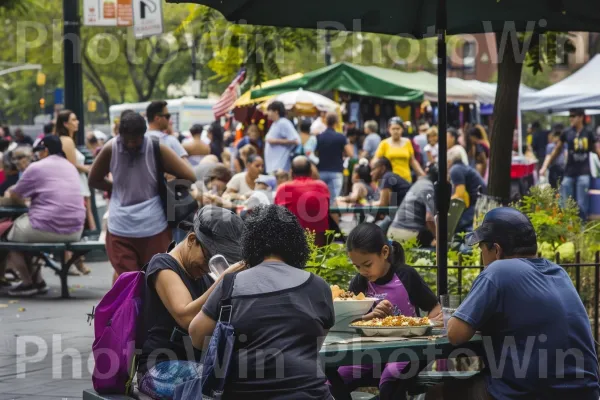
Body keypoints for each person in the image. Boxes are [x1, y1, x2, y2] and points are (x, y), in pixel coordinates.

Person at [439, 208, 600, 400]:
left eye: (481, 248)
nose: (481, 257)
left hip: (530, 394)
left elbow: (455, 334)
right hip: (585, 392)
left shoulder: (498, 270)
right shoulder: (558, 272)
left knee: (436, 393)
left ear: (496, 250)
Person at [188, 204, 335, 400]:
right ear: (298, 244)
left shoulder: (230, 285)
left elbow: (197, 336)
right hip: (308, 393)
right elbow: (314, 345)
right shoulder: (318, 286)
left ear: (248, 243)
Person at [137, 206, 244, 400]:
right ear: (192, 240)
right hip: (159, 367)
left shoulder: (204, 277)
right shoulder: (162, 265)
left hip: (196, 363)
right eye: (208, 258)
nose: (208, 266)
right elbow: (186, 317)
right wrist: (224, 280)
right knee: (221, 386)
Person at [337, 223, 442, 400]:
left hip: (407, 350)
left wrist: (427, 326)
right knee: (335, 376)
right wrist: (369, 316)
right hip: (370, 352)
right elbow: (351, 322)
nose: (363, 271)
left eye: (367, 264)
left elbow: (435, 307)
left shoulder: (405, 275)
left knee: (390, 380)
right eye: (357, 267)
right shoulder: (359, 283)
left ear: (384, 252)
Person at [88, 112, 196, 282]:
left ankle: (139, 308)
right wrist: (116, 188)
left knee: (150, 278)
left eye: (135, 140)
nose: (131, 144)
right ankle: (128, 308)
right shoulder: (111, 148)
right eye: (127, 140)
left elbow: (190, 175)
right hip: (122, 227)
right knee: (130, 279)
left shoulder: (155, 147)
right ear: (119, 135)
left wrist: (165, 182)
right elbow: (93, 179)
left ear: (143, 134)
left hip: (152, 226)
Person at [6, 135, 85, 296]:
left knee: (7, 237)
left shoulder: (37, 167)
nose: (37, 155)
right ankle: (38, 281)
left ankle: (28, 283)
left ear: (46, 150)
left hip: (48, 227)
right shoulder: (70, 167)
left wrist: (25, 203)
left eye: (40, 151)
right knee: (26, 233)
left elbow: (15, 195)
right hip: (75, 230)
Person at [540, 108, 600, 220]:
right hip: (569, 173)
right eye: (570, 116)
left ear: (581, 117)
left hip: (584, 172)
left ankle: (581, 230)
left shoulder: (588, 132)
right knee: (565, 202)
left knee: (582, 204)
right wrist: (545, 166)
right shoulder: (567, 132)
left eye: (573, 116)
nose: (571, 118)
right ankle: (566, 228)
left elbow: (597, 150)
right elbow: (557, 150)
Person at [55, 110, 96, 273]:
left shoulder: (68, 140)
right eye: (73, 119)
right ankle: (73, 260)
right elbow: (72, 164)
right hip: (76, 183)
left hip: (79, 182)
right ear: (65, 123)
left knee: (81, 219)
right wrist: (90, 168)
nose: (77, 122)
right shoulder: (67, 140)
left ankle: (74, 260)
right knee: (79, 220)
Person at [275, 156, 330, 245]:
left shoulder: (283, 188)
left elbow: (277, 216)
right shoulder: (322, 186)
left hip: (291, 245)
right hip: (318, 244)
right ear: (311, 172)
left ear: (291, 172)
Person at [388, 163, 438, 246]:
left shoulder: (419, 183)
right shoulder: (428, 187)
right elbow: (429, 218)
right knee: (435, 241)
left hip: (393, 231)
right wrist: (438, 238)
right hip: (406, 234)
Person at [316, 112, 354, 201]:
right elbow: (350, 154)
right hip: (336, 171)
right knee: (333, 201)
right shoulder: (341, 137)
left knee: (321, 199)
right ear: (336, 122)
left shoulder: (319, 137)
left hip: (321, 171)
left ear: (325, 121)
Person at [374, 117, 424, 183]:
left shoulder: (407, 142)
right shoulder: (384, 143)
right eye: (393, 129)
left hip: (405, 179)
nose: (395, 131)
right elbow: (376, 160)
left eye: (398, 128)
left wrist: (422, 175)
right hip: (389, 181)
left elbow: (413, 161)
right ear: (389, 130)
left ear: (402, 129)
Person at [448, 146, 486, 233]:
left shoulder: (455, 169)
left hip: (476, 206)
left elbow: (460, 195)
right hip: (480, 203)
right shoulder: (463, 168)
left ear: (449, 159)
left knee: (456, 227)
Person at [264, 101, 300, 173]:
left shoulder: (283, 122)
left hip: (280, 165)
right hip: (274, 165)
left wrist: (275, 141)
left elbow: (296, 140)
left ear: (276, 112)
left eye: (269, 111)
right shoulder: (275, 123)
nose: (267, 113)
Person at [544, 124, 566, 189]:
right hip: (555, 168)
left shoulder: (564, 145)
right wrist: (544, 167)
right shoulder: (550, 146)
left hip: (561, 168)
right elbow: (548, 157)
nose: (557, 138)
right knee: (555, 187)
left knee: (558, 187)